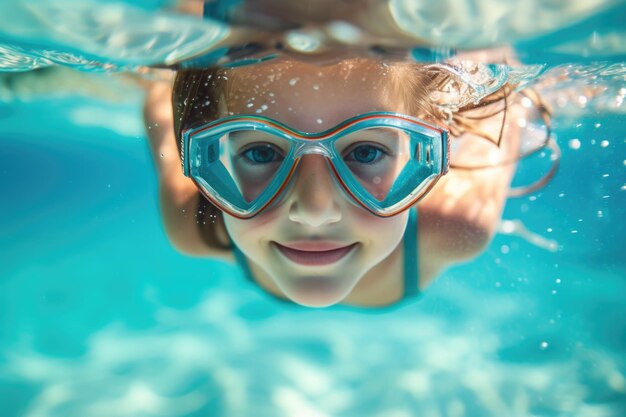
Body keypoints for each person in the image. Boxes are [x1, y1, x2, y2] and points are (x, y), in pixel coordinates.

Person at [143, 55, 539, 308]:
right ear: (205, 160)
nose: (315, 212)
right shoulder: (194, 219)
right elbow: (163, 105)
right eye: (262, 152)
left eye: (365, 153)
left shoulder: (453, 222)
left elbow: (505, 93)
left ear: (430, 153)